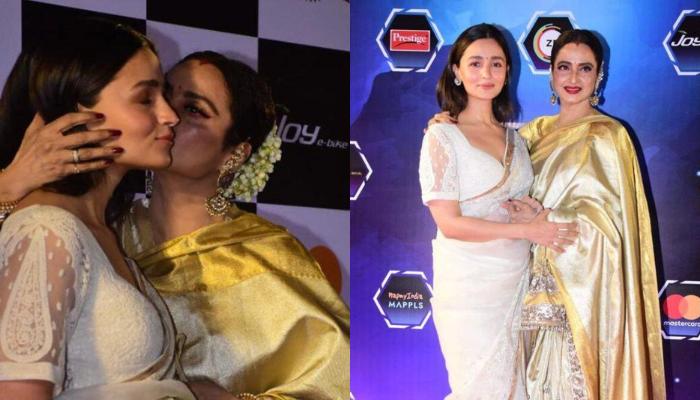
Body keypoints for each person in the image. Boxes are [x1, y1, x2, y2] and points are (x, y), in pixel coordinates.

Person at [1, 48, 350, 399]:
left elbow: (335, 380)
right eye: (157, 96)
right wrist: (8, 188)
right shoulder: (93, 230)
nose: (168, 116)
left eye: (194, 109)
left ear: (236, 153)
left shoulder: (266, 255)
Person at [0, 20, 195, 399]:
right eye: (145, 98)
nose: (170, 116)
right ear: (77, 113)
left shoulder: (100, 229)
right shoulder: (46, 228)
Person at [418, 23, 577, 400]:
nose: (486, 73)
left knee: (516, 389)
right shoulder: (442, 135)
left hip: (517, 282)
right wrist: (525, 231)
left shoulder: (516, 141)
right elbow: (449, 223)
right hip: (469, 290)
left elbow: (511, 204)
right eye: (475, 63)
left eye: (496, 63)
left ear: (507, 71)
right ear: (456, 71)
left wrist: (528, 214)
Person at [514, 29, 665, 400]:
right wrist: (449, 126)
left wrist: (550, 220)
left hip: (584, 293)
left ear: (599, 75)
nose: (573, 77)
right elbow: (495, 186)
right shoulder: (529, 134)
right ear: (551, 73)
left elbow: (614, 231)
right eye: (564, 67)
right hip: (522, 284)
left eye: (585, 68)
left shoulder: (611, 136)